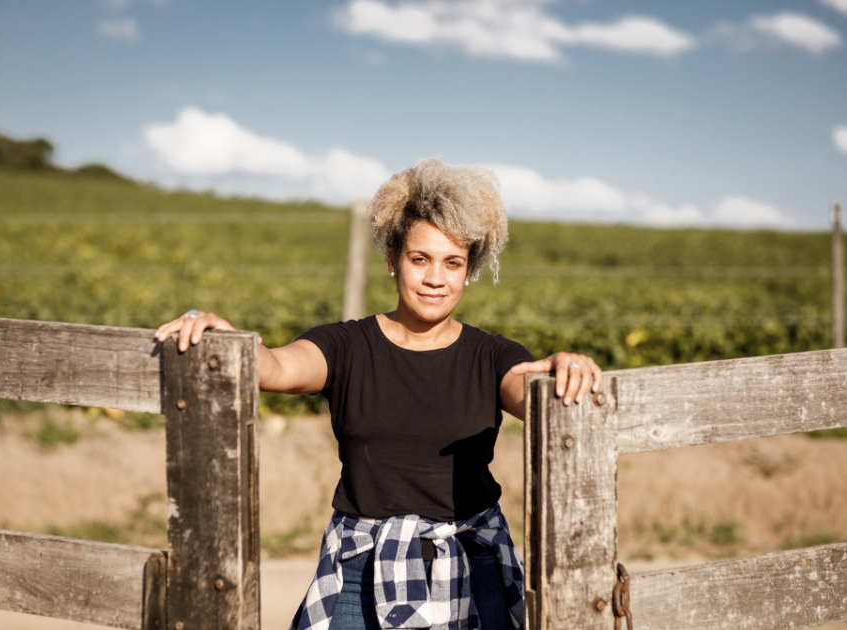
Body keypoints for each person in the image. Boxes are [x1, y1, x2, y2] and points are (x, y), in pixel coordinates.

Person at [154, 157, 602, 630]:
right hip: (360, 568)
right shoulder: (346, 346)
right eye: (420, 259)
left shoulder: (493, 355)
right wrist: (224, 336)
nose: (436, 279)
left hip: (474, 565)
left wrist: (561, 368)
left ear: (469, 270)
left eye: (453, 263)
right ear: (392, 260)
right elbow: (278, 366)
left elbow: (529, 389)